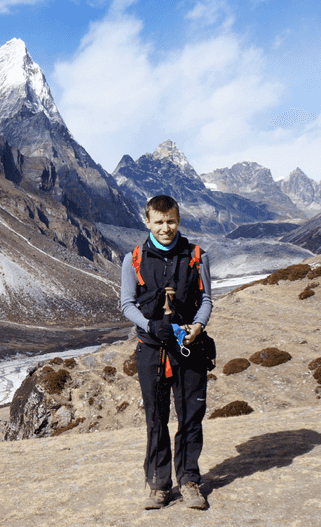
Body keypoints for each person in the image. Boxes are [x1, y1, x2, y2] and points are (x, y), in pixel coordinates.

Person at [120, 194, 213, 510]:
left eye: (170, 221)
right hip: (151, 351)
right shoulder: (133, 258)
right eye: (158, 222)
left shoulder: (196, 256)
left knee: (190, 417)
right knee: (156, 419)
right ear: (147, 221)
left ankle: (188, 482)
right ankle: (159, 486)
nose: (165, 228)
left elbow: (206, 300)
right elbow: (126, 304)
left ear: (179, 220)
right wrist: (149, 325)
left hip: (190, 348)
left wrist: (198, 325)